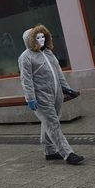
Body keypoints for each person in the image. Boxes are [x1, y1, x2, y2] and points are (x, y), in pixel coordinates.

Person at [18, 25, 85, 165]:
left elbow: (58, 72)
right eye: (37, 37)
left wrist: (66, 89)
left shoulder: (48, 52)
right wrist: (30, 98)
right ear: (30, 40)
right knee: (53, 124)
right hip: (41, 97)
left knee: (50, 122)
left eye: (43, 36)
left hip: (56, 94)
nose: (41, 40)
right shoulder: (25, 57)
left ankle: (50, 151)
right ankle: (68, 153)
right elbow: (26, 79)